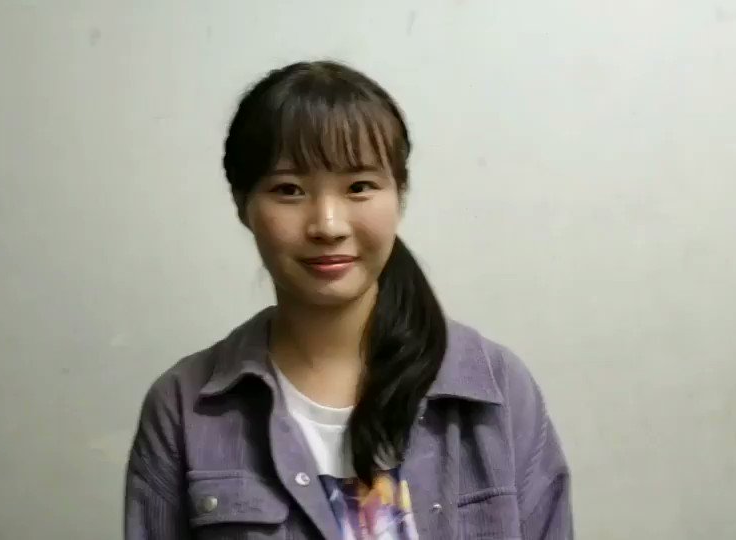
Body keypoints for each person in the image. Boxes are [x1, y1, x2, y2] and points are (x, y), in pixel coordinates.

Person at [124, 60, 572, 539]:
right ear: (241, 203)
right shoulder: (183, 409)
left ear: (399, 193)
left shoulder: (498, 391)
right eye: (289, 190)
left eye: (360, 187)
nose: (329, 225)